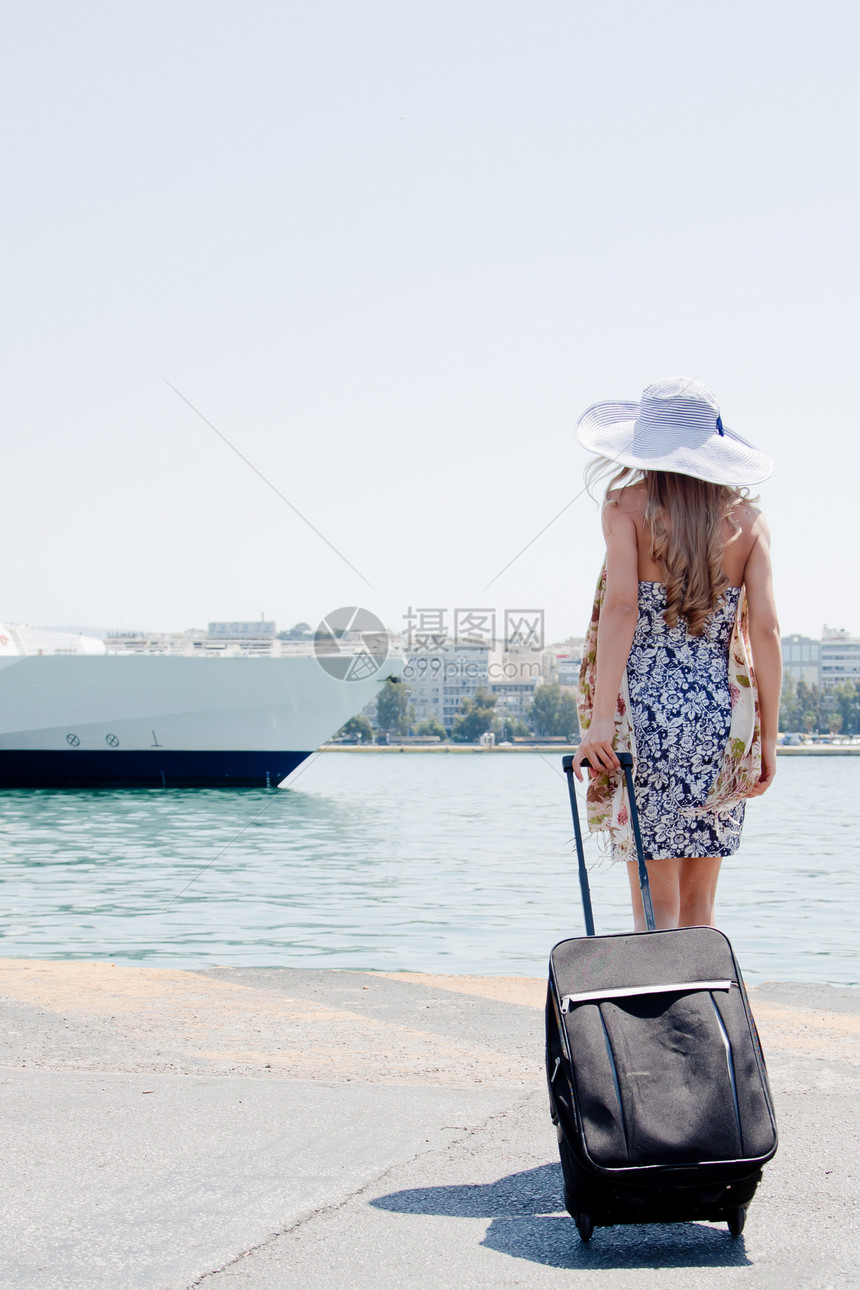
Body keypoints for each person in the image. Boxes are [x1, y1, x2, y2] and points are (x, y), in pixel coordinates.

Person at [571, 377, 781, 932]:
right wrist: (769, 740)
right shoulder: (748, 523)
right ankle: (702, 1015)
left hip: (648, 718)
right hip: (722, 719)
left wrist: (597, 724)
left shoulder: (626, 508)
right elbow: (767, 631)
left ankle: (655, 1015)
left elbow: (620, 610)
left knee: (653, 907)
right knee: (700, 910)